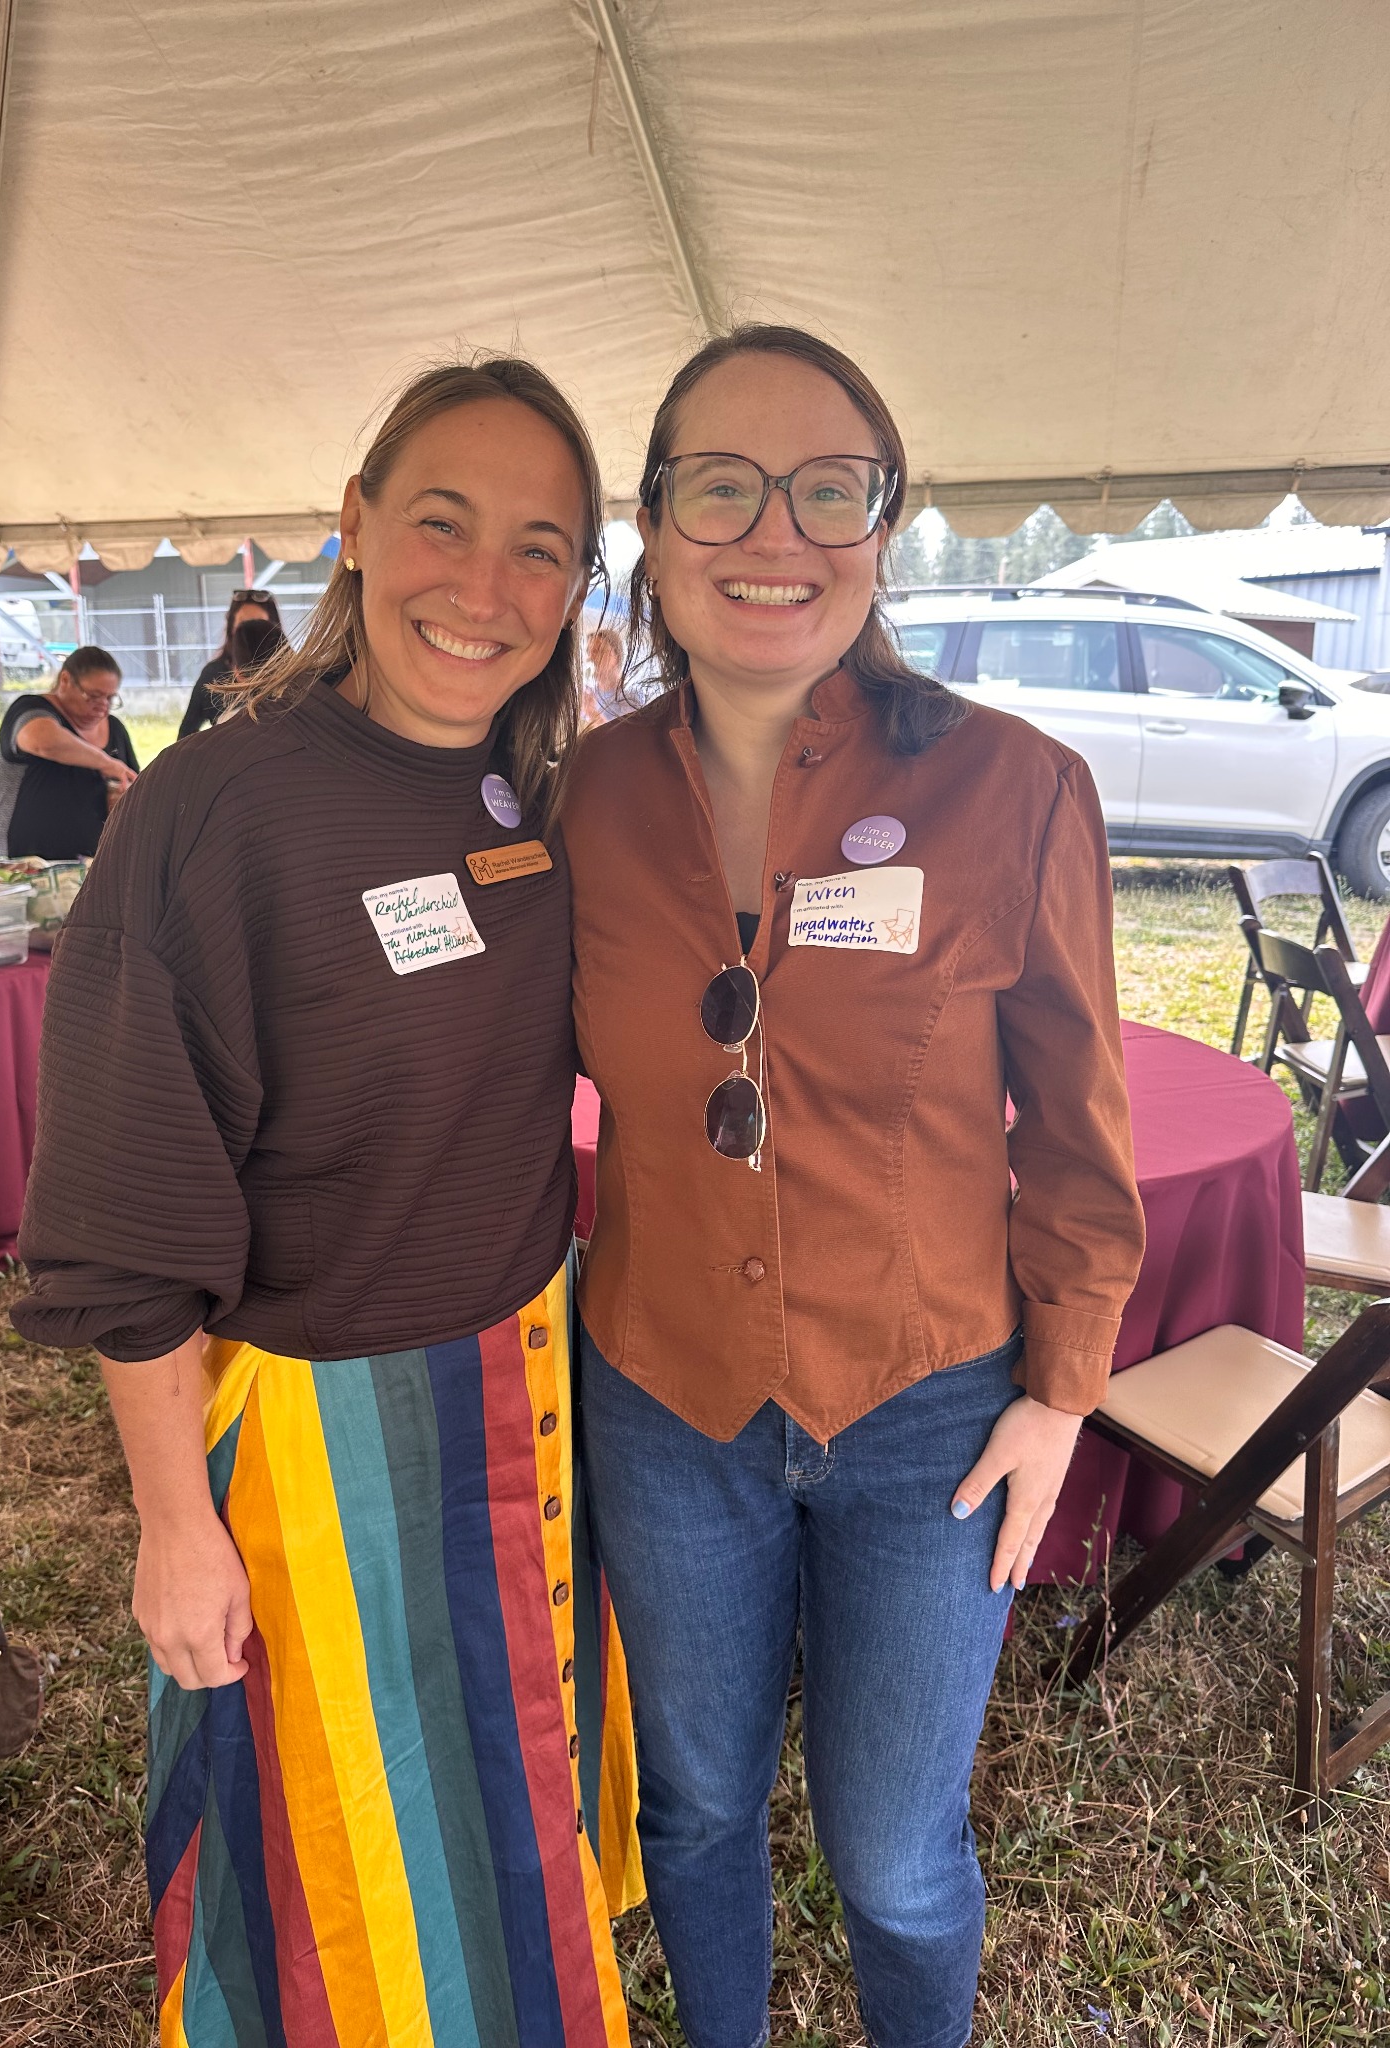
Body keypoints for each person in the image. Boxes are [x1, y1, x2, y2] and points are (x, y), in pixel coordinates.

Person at [13, 359, 641, 2045]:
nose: (484, 588)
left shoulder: (531, 784)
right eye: (442, 522)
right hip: (316, 1441)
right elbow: (126, 1200)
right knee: (326, 1888)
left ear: (581, 587)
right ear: (354, 525)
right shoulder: (217, 812)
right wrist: (168, 1518)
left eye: (540, 548)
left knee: (504, 1833)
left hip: (521, 1405)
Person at [562, 325, 1146, 2048]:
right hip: (663, 1391)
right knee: (694, 1807)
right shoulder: (576, 801)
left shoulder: (1014, 787)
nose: (776, 533)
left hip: (931, 1413)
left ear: (889, 522)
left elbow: (1084, 1133)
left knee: (894, 1857)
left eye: (832, 486)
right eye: (719, 485)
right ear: (654, 531)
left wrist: (1061, 1394)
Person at [0, 645, 138, 859]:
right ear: (65, 680)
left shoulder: (114, 729)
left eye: (110, 698)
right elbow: (44, 741)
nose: (102, 707)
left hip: (93, 864)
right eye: (93, 696)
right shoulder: (30, 709)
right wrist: (106, 762)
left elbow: (133, 785)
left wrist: (120, 798)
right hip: (26, 864)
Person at [178, 586, 286, 736]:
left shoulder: (295, 675)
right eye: (243, 624)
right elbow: (186, 733)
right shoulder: (213, 675)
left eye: (257, 623)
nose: (249, 634)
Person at [580, 626, 626, 726]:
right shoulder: (587, 694)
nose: (590, 658)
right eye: (589, 652)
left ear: (616, 656)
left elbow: (623, 739)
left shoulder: (631, 698)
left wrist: (592, 713)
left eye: (598, 651)